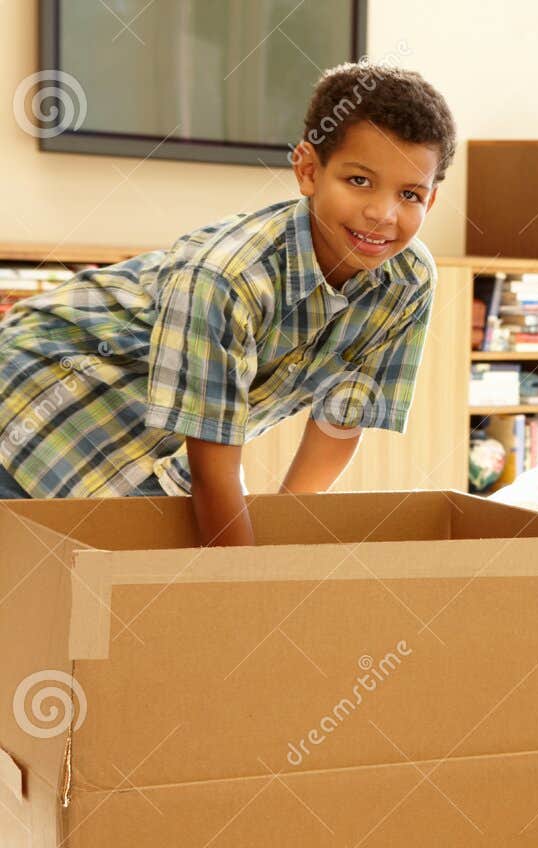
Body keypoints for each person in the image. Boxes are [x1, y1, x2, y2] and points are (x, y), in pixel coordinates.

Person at [0, 63, 454, 547]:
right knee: (48, 594)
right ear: (307, 171)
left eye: (409, 194)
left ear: (431, 201)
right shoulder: (225, 277)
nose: (382, 214)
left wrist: (286, 532)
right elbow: (214, 469)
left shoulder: (408, 279)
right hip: (40, 391)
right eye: (359, 181)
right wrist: (245, 581)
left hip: (156, 437)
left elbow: (341, 417)